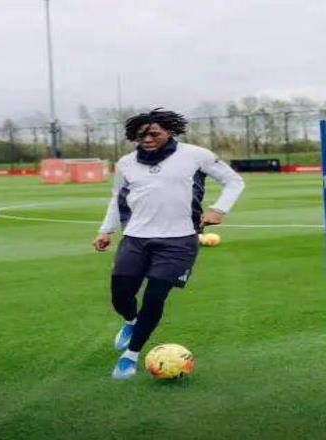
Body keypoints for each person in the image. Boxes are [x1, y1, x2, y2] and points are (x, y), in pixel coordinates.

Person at [92, 109, 245, 379]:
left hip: (179, 240)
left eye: (154, 133)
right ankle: (131, 321)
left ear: (169, 131)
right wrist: (105, 230)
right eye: (141, 135)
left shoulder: (196, 155)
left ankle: (130, 356)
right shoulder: (126, 163)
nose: (147, 139)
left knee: (154, 297)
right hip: (135, 238)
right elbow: (117, 199)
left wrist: (219, 209)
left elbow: (234, 181)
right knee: (120, 295)